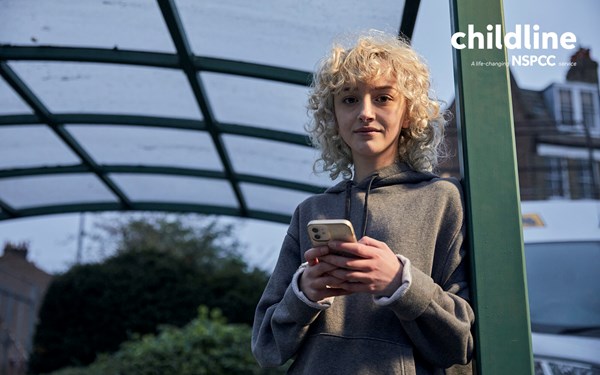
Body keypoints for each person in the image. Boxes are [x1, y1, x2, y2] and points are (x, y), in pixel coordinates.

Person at [251, 31, 474, 375]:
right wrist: (304, 294)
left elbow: (463, 341)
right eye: (349, 99)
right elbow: (267, 347)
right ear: (333, 116)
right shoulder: (310, 213)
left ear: (409, 112)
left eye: (383, 98)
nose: (365, 112)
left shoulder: (444, 200)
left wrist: (401, 283)